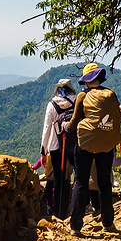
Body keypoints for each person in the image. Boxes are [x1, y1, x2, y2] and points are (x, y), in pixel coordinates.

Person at [65, 62, 121, 236]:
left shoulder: (82, 97)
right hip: (106, 144)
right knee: (104, 182)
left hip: (85, 145)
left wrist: (66, 127)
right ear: (99, 77)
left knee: (81, 182)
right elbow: (118, 119)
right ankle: (108, 224)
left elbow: (74, 123)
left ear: (86, 80)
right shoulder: (110, 94)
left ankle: (76, 226)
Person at [40, 78, 77, 218]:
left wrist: (43, 151)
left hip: (56, 147)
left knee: (58, 179)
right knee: (73, 177)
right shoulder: (76, 100)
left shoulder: (52, 104)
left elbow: (47, 129)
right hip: (73, 144)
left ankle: (57, 213)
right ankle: (72, 211)